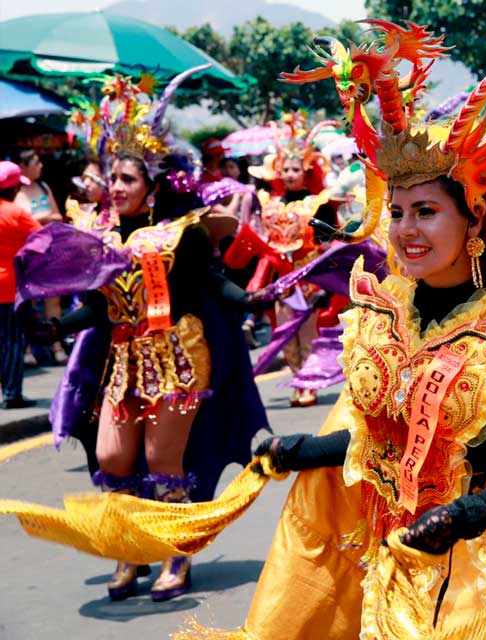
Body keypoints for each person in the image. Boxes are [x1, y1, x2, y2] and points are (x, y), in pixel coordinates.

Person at [180, 21, 486, 639]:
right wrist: (297, 452)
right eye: (395, 211)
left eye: (426, 211)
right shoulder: (382, 317)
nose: (405, 230)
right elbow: (379, 444)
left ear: (473, 219)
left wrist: (466, 514)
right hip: (391, 558)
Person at [17, 67, 269, 602]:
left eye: (128, 179)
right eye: (113, 179)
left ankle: (174, 556)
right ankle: (131, 550)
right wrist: (52, 325)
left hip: (177, 355)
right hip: (123, 359)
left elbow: (212, 284)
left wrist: (250, 300)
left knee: (162, 462)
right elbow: (95, 310)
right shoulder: (100, 239)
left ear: (152, 188)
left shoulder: (182, 233)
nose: (116, 187)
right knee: (111, 458)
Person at [244, 115, 341, 407]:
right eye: (285, 168)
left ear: (307, 169)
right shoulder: (269, 203)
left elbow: (328, 241)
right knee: (286, 334)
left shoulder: (319, 202)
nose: (288, 173)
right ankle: (298, 381)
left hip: (308, 279)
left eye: (295, 169)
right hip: (282, 281)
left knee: (308, 334)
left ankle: (308, 385)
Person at [14, 148, 66, 365]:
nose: (41, 166)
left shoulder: (44, 187)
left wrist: (42, 218)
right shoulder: (17, 192)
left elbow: (57, 215)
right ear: (24, 167)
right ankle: (27, 349)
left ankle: (56, 344)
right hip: (28, 252)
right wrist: (41, 219)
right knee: (29, 301)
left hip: (48, 250)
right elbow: (19, 221)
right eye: (36, 162)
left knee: (53, 299)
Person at [0, 161, 41, 409]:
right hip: (10, 287)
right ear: (14, 189)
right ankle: (12, 394)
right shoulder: (16, 213)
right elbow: (43, 239)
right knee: (13, 341)